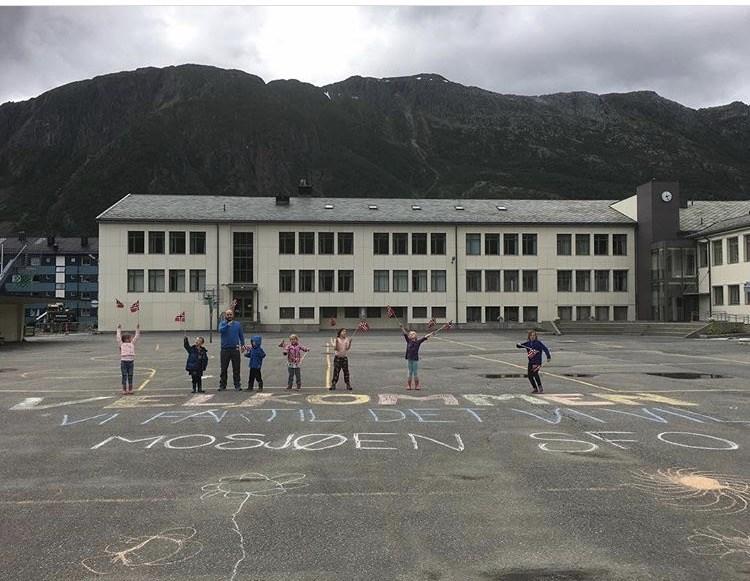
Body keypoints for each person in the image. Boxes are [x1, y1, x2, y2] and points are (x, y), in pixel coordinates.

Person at [400, 323, 434, 390]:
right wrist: (402, 327)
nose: (411, 334)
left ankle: (417, 385)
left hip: (415, 360)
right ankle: (409, 385)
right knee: (410, 372)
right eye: (410, 334)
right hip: (409, 359)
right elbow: (405, 333)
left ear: (416, 336)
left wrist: (431, 334)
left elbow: (425, 337)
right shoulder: (408, 341)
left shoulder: (418, 342)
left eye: (413, 334)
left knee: (415, 373)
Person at [218, 308, 245, 391]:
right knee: (224, 368)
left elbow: (241, 335)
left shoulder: (237, 324)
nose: (229, 316)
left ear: (233, 315)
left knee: (236, 368)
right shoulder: (222, 323)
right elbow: (220, 331)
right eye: (228, 314)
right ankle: (222, 385)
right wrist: (227, 325)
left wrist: (243, 345)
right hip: (225, 349)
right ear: (225, 316)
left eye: (230, 314)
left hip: (235, 349)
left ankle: (237, 385)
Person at [116, 323, 140, 395]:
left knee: (130, 375)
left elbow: (137, 336)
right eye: (129, 337)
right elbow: (118, 337)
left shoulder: (132, 343)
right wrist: (119, 329)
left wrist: (137, 329)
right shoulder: (121, 344)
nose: (131, 338)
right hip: (124, 362)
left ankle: (130, 389)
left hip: (131, 362)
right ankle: (124, 389)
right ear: (126, 339)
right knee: (124, 375)